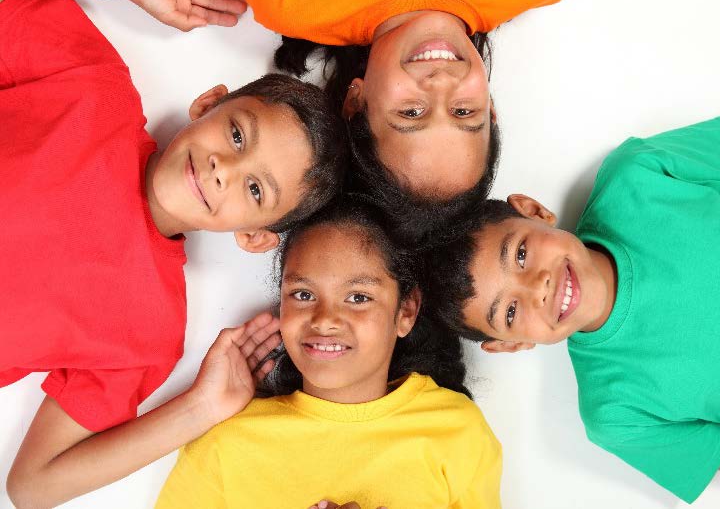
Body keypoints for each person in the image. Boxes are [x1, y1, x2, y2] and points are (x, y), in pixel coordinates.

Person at [0, 0, 346, 505]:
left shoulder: (150, 330)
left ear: (256, 235)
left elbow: (33, 486)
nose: (223, 169)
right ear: (208, 104)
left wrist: (201, 409)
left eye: (255, 190)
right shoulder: (94, 84)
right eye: (236, 134)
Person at [425, 115, 720, 502]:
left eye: (521, 253)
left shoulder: (638, 173)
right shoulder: (615, 415)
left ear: (533, 211)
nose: (537, 288)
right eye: (509, 313)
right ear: (511, 345)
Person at [156, 200, 503, 508]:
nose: (324, 320)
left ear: (406, 311)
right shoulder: (226, 443)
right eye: (304, 295)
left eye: (358, 297)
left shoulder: (458, 431)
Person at [228, 0, 586, 243]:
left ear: (356, 100)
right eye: (464, 112)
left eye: (411, 112)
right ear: (490, 107)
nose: (441, 83)